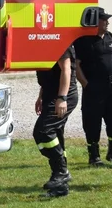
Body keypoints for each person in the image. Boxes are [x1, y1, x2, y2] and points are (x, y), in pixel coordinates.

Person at [72, 10, 112, 164]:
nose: (107, 23)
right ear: (95, 21)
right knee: (92, 121)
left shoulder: (110, 37)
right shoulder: (83, 40)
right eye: (104, 20)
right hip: (94, 86)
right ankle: (94, 156)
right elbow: (77, 65)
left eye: (107, 20)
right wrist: (86, 84)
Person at [34, 44, 79, 197]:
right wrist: (41, 96)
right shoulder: (45, 41)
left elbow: (66, 69)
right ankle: (60, 184)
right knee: (56, 134)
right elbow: (49, 73)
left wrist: (62, 98)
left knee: (43, 131)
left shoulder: (60, 41)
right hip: (50, 94)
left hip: (61, 96)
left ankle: (61, 171)